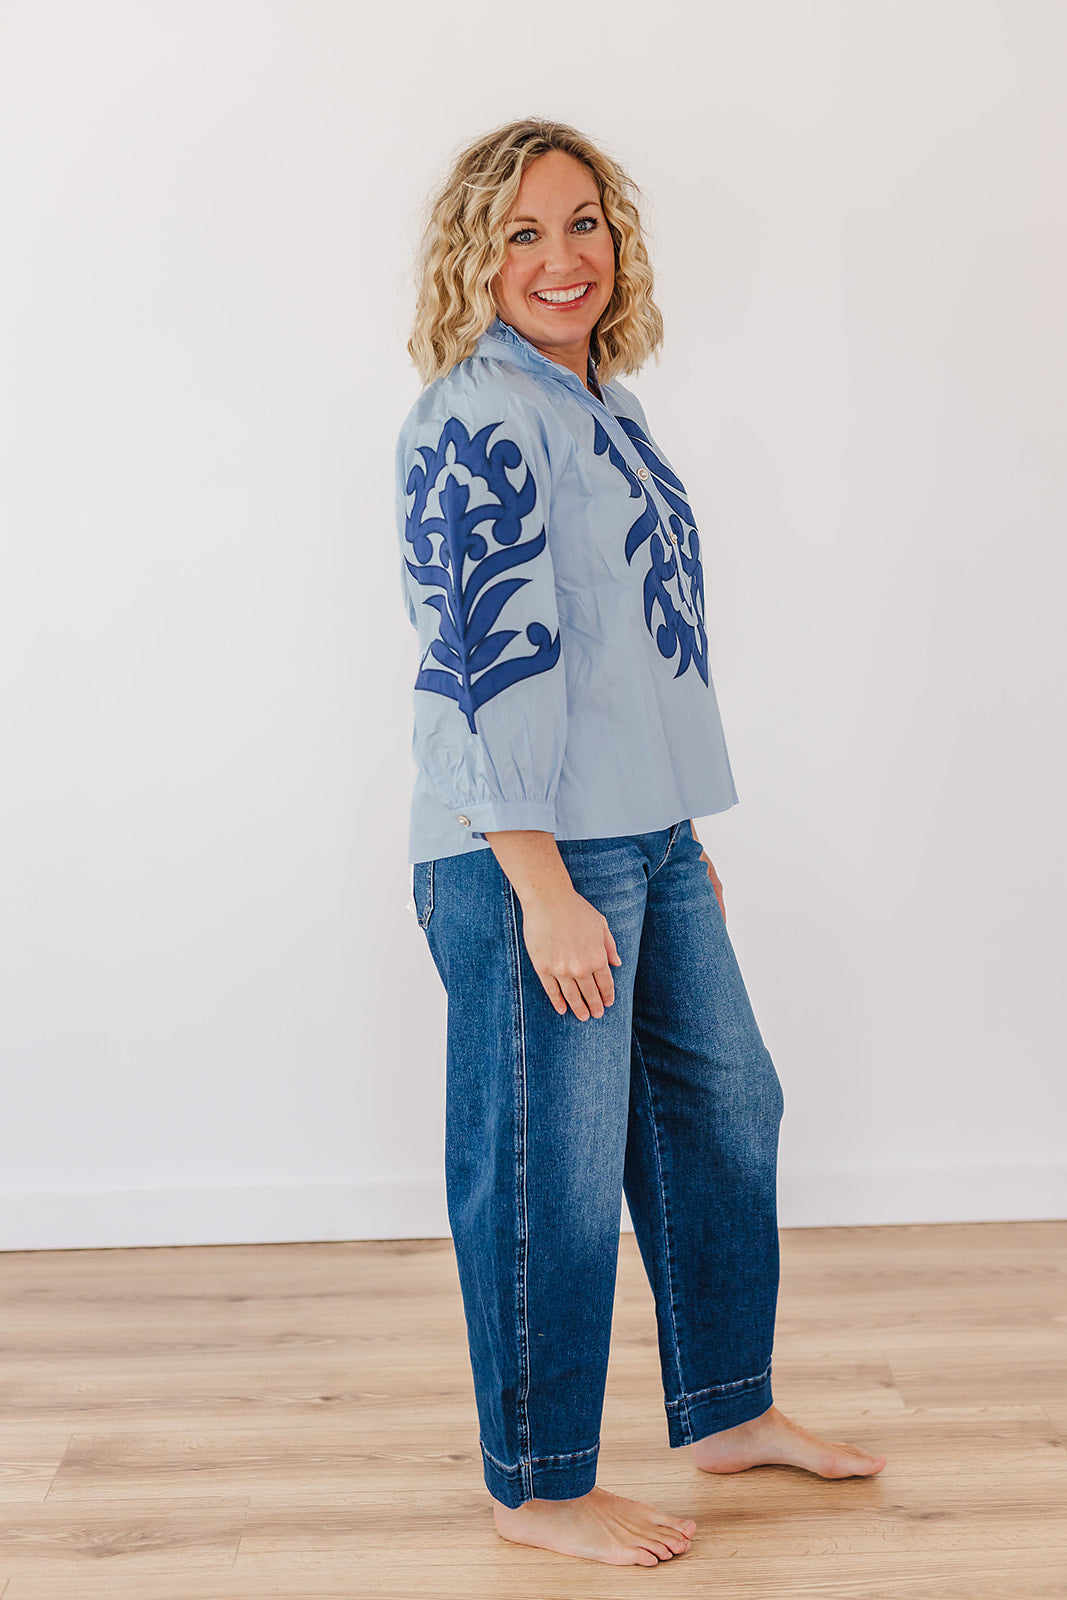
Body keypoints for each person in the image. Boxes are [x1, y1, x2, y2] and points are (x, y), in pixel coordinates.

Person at [395, 117, 886, 1569]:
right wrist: (540, 883)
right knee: (544, 1173)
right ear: (475, 257)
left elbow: (627, 659)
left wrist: (675, 832)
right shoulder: (480, 415)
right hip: (531, 856)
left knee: (724, 1107)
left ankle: (728, 1408)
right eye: (525, 231)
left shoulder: (604, 404)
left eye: (585, 223)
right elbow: (480, 663)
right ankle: (538, 1486)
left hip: (643, 838)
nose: (564, 257)